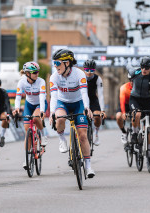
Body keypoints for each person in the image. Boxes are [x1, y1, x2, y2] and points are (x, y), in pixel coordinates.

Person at [49, 49, 95, 178]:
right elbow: (53, 96)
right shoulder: (54, 76)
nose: (55, 66)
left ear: (67, 63)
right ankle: (62, 139)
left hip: (78, 103)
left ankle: (88, 165)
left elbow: (84, 93)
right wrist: (52, 112)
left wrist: (86, 107)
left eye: (58, 63)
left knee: (83, 136)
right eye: (54, 63)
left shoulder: (79, 74)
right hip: (62, 103)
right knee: (60, 118)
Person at [12, 61, 48, 170]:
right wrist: (17, 108)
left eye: (37, 72)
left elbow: (42, 98)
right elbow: (18, 96)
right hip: (29, 105)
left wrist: (42, 110)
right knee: (27, 131)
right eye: (34, 72)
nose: (37, 74)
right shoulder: (22, 82)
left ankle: (43, 135)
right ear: (27, 73)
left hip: (40, 104)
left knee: (36, 117)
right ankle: (26, 158)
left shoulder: (41, 81)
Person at [83, 59, 106, 146]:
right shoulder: (80, 77)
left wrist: (102, 110)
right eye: (87, 70)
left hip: (93, 99)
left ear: (94, 70)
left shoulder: (97, 78)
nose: (89, 72)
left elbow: (100, 95)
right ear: (84, 69)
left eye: (92, 70)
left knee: (97, 116)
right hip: (81, 99)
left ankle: (96, 132)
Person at [0, 76, 11, 147]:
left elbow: (7, 104)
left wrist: (8, 114)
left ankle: (2, 135)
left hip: (1, 110)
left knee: (5, 118)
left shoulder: (3, 92)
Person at [115, 74, 133, 144]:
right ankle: (123, 132)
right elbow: (122, 101)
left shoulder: (139, 87)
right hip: (125, 104)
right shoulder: (124, 87)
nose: (132, 82)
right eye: (131, 80)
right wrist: (123, 112)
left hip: (135, 104)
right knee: (118, 116)